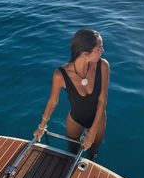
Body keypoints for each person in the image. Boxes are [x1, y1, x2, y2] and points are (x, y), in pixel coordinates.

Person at [33, 29, 110, 160]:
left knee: (93, 153)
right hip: (75, 120)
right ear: (85, 54)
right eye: (99, 49)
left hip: (99, 120)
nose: (102, 51)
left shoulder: (103, 65)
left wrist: (92, 132)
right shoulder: (60, 74)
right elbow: (53, 101)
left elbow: (102, 100)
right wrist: (41, 127)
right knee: (72, 153)